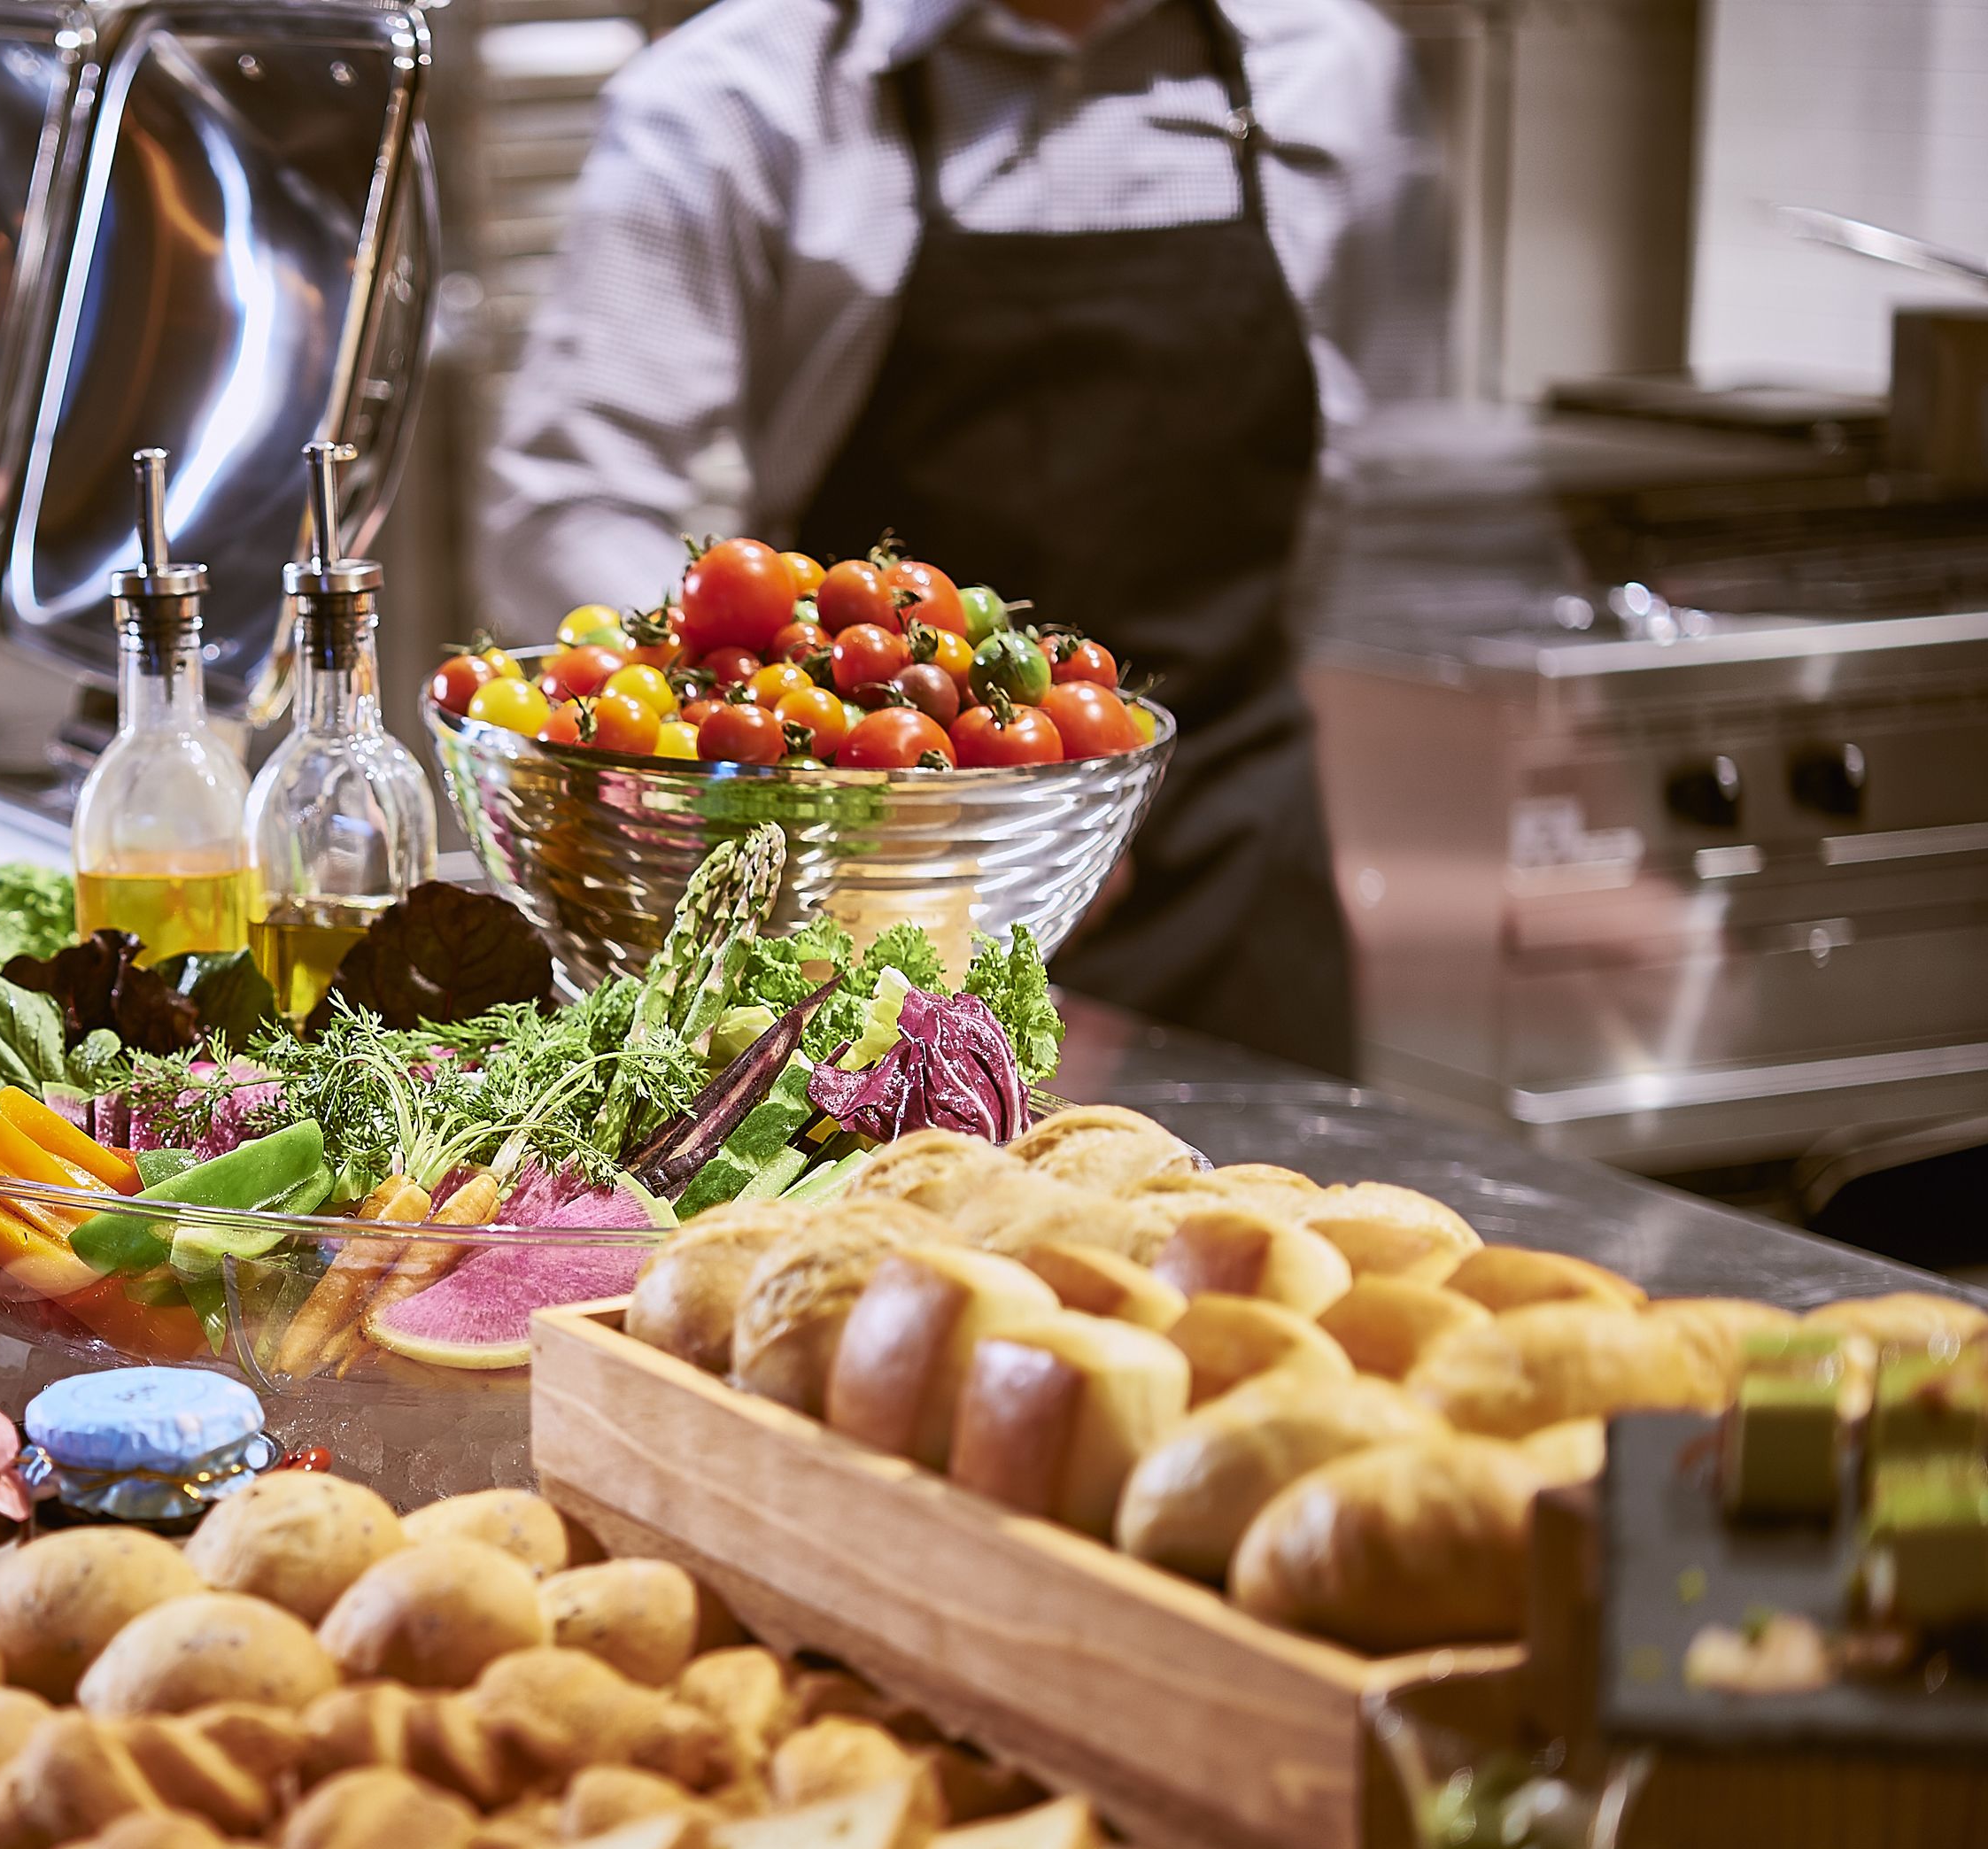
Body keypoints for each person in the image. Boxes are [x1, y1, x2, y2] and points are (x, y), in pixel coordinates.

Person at [481, 0, 1443, 1075]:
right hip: (865, 899)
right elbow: (570, 499)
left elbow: (1379, 470)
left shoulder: (1337, 68)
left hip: (1239, 869)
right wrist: (792, 747)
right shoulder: (736, 95)